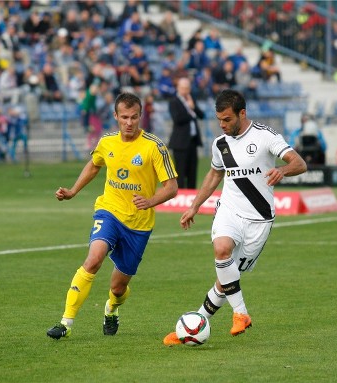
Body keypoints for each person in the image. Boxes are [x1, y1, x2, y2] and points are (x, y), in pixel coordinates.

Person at [162, 89, 307, 346]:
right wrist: (195, 206)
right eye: (219, 120)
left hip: (259, 219)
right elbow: (214, 175)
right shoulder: (220, 143)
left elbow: (300, 163)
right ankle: (240, 313)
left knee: (225, 281)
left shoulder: (266, 136)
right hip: (229, 209)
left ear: (242, 113)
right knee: (221, 249)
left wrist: (282, 170)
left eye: (227, 119)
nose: (222, 125)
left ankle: (193, 326)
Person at [46, 92, 179, 340]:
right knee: (93, 260)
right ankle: (66, 322)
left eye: (134, 117)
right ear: (116, 116)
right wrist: (73, 191)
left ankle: (111, 309)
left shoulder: (154, 147)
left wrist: (150, 201)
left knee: (118, 288)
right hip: (109, 211)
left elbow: (172, 188)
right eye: (124, 117)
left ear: (141, 117)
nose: (129, 123)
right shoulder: (106, 141)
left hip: (138, 225)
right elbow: (95, 164)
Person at [168, 77, 205, 189]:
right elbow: (177, 119)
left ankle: (192, 198)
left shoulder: (191, 99)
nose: (185, 90)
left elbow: (201, 115)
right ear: (178, 88)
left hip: (192, 141)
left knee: (192, 172)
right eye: (183, 88)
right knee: (180, 172)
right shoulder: (174, 101)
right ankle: (180, 197)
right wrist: (190, 113)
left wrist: (193, 107)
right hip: (180, 143)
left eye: (187, 88)